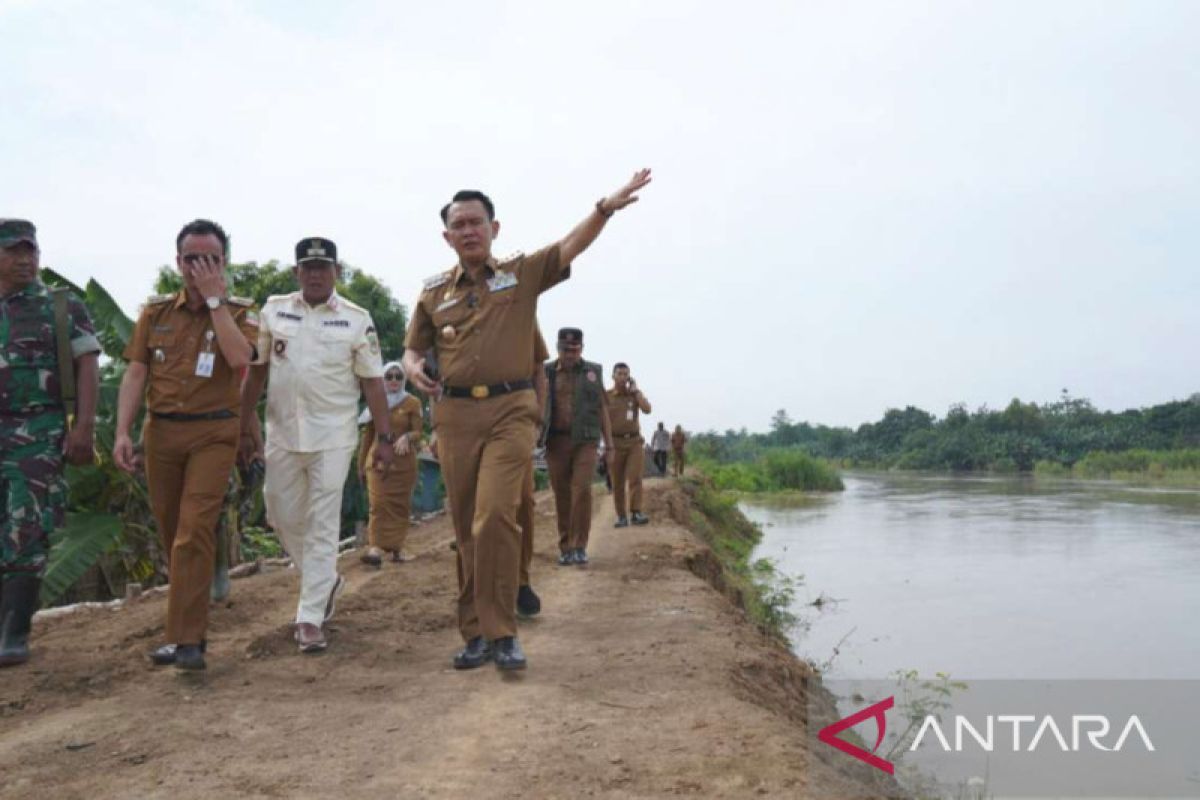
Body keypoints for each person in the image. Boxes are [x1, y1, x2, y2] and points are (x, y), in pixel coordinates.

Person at [403, 169, 653, 672]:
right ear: (447, 236)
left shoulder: (519, 275)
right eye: (460, 224)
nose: (469, 231)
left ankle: (501, 632)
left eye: (478, 222)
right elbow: (414, 347)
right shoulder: (432, 294)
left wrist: (604, 207)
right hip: (454, 417)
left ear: (495, 228)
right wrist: (411, 367)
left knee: (495, 515)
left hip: (511, 412)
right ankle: (473, 632)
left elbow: (568, 247)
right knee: (466, 527)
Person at [113, 219, 258, 671]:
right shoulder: (154, 314)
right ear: (178, 262)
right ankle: (185, 630)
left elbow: (240, 360)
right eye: (192, 258)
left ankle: (187, 640)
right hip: (162, 434)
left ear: (223, 262)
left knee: (194, 529)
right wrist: (122, 432)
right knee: (173, 530)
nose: (199, 266)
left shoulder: (239, 311)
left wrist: (215, 299)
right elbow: (136, 373)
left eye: (210, 258)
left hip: (214, 432)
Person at [239, 237, 395, 654]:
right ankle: (326, 580)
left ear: (336, 272)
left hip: (333, 436)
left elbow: (373, 380)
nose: (314, 274)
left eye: (322, 268)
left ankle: (309, 618)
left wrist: (384, 437)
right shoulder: (274, 310)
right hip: (283, 433)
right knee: (280, 513)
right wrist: (242, 424)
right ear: (296, 273)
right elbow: (255, 371)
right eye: (307, 267)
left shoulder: (356, 319)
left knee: (323, 521)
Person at [0, 219, 100, 667]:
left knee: (26, 528)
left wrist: (83, 429)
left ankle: (13, 633)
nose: (25, 259)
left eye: (31, 251)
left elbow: (88, 367)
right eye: (14, 251)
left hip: (37, 435)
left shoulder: (61, 306)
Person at [543, 328, 612, 566]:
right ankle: (565, 547)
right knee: (562, 495)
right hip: (555, 441)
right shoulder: (546, 372)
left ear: (581, 349)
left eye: (574, 350)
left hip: (586, 441)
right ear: (557, 348)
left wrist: (609, 445)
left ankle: (580, 546)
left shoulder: (593, 372)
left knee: (581, 491)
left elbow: (603, 408)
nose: (570, 354)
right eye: (565, 350)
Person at [357, 361, 423, 566]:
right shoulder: (376, 403)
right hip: (377, 464)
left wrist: (407, 438)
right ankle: (375, 548)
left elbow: (419, 432)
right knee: (378, 505)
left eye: (398, 376)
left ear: (403, 380)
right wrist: (360, 465)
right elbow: (367, 437)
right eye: (389, 376)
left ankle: (397, 548)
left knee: (400, 506)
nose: (394, 380)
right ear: (383, 379)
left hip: (403, 467)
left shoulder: (412, 403)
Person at [516, 325, 550, 617]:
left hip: (514, 424)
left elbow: (538, 370)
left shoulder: (521, 308)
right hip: (464, 424)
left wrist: (536, 422)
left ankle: (520, 581)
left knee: (522, 503)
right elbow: (431, 367)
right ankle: (479, 588)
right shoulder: (449, 300)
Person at [606, 363, 652, 528]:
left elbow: (647, 409)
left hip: (634, 442)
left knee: (635, 478)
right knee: (617, 482)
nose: (623, 377)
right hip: (615, 443)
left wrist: (637, 391)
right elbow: (599, 419)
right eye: (619, 374)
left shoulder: (634, 395)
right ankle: (621, 516)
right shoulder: (606, 396)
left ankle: (636, 512)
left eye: (626, 374)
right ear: (613, 376)